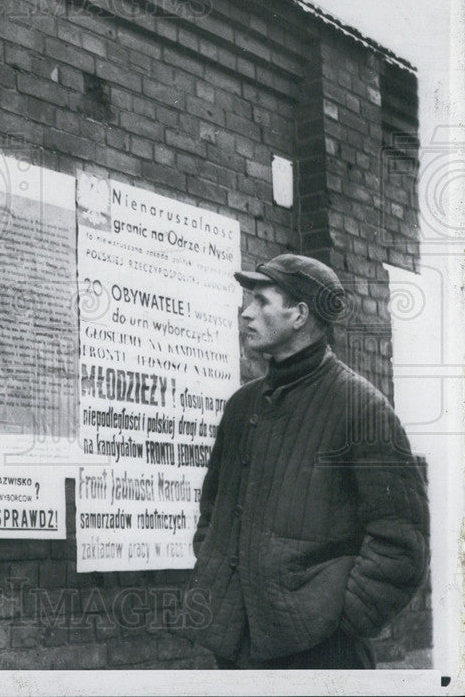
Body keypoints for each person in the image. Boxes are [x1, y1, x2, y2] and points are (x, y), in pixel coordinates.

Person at [184, 253, 429, 669]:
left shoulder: (361, 408)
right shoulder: (242, 406)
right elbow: (213, 510)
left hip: (323, 655)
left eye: (262, 302)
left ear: (299, 315)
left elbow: (402, 542)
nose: (246, 314)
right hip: (237, 647)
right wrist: (213, 564)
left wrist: (342, 620)